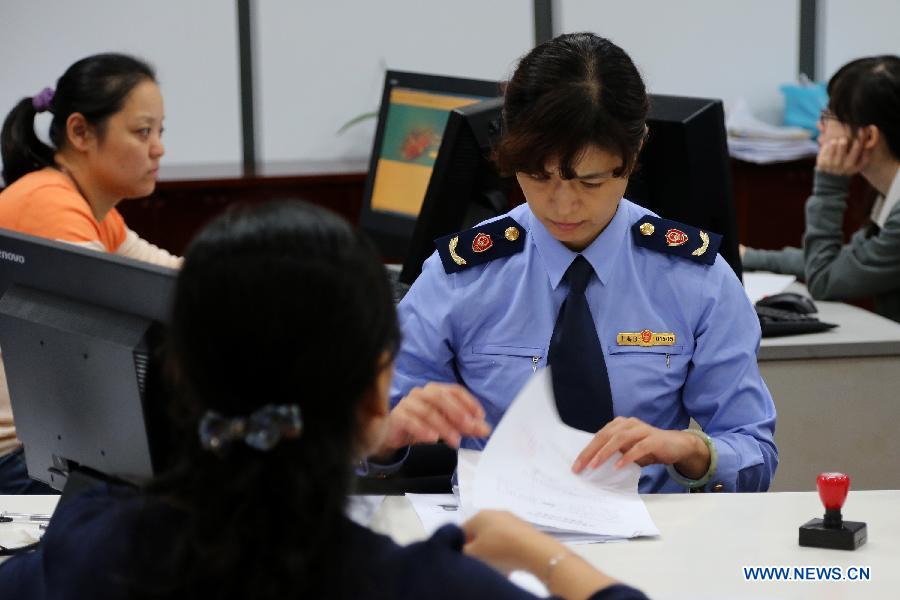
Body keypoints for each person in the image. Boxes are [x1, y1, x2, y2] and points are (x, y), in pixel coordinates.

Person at [0, 201, 646, 600]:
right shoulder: (422, 585)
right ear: (375, 389)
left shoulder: (94, 543)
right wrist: (544, 556)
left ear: (177, 376)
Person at [373, 33, 777, 493]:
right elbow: (373, 430)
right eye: (538, 177)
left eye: (589, 182)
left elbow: (755, 453)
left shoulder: (695, 278)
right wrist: (387, 436)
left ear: (637, 149)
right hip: (500, 539)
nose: (562, 207)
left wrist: (690, 452)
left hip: (654, 540)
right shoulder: (461, 275)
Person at [0, 53, 181, 494]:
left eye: (160, 131)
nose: (158, 147)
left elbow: (177, 281)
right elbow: (120, 344)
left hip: (43, 448)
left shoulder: (89, 207)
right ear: (80, 131)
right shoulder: (49, 205)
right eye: (142, 132)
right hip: (18, 463)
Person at [742, 55, 900, 323]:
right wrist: (749, 256)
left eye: (828, 117)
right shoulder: (888, 196)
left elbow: (824, 279)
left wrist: (829, 183)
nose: (820, 127)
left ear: (869, 136)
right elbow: (841, 262)